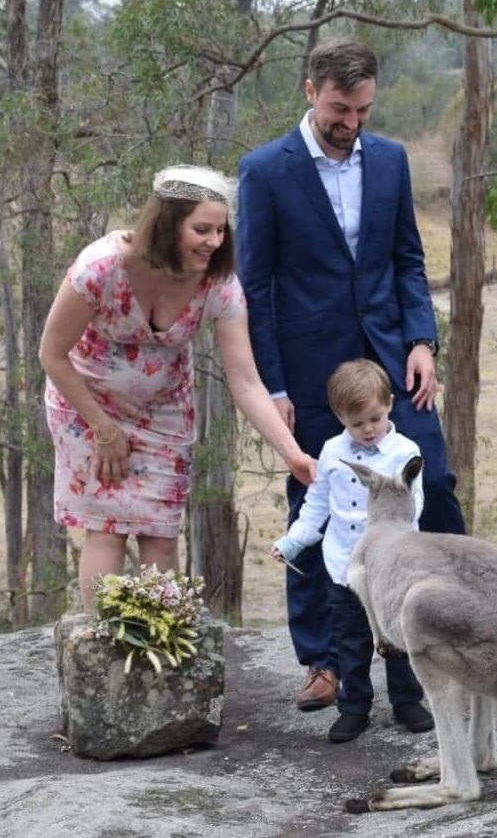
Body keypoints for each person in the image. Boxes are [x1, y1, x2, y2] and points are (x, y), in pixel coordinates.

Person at [236, 36, 465, 713]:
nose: (352, 121)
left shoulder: (390, 160)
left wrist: (421, 339)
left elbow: (406, 258)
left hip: (393, 362)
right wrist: (273, 386)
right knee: (315, 501)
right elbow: (258, 285)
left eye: (362, 108)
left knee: (437, 485)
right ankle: (324, 660)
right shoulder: (265, 170)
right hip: (310, 371)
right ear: (310, 90)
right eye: (340, 107)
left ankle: (442, 632)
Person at [40, 164, 317, 613]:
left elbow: (245, 381)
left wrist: (292, 453)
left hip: (163, 410)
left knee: (160, 531)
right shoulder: (101, 267)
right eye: (201, 229)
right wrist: (103, 429)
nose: (214, 241)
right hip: (87, 405)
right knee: (106, 528)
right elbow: (51, 353)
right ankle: (102, 644)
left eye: (221, 231)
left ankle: (161, 652)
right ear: (167, 224)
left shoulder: (218, 286)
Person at [271, 359, 434, 743]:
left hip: (393, 568)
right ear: (339, 417)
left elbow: (416, 504)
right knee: (351, 639)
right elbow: (316, 505)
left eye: (374, 419)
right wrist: (293, 542)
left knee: (396, 636)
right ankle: (354, 706)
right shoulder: (330, 452)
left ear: (390, 404)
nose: (367, 430)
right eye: (356, 423)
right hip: (345, 567)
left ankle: (407, 700)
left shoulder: (404, 452)